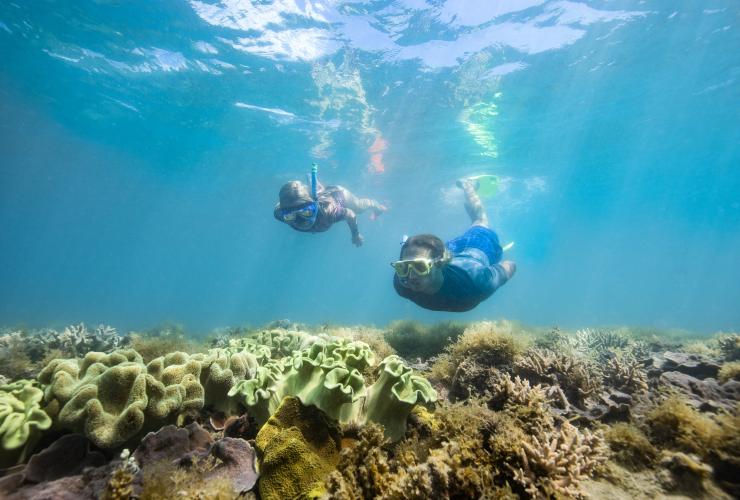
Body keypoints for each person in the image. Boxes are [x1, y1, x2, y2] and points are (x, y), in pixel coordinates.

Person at [391, 178, 516, 311]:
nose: (410, 276)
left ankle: (469, 186)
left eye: (419, 267)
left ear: (440, 263)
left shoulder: (476, 282)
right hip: (451, 249)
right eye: (403, 267)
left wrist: (496, 271)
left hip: (478, 247)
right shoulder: (401, 282)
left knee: (480, 220)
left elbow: (511, 265)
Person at [274, 166, 386, 247]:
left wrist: (355, 235)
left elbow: (351, 214)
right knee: (318, 193)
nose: (300, 221)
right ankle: (315, 187)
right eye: (289, 216)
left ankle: (376, 205)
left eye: (306, 212)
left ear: (315, 206)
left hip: (338, 194)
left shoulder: (327, 212)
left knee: (358, 208)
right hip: (320, 196)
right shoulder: (279, 214)